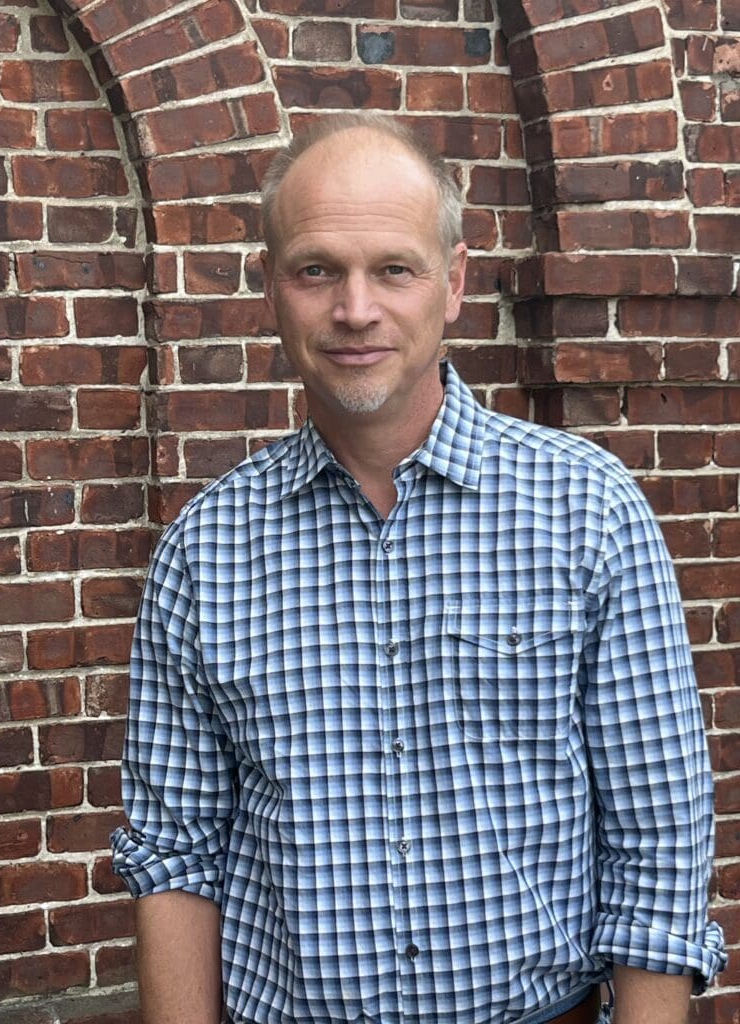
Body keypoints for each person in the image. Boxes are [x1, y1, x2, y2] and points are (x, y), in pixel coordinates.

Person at [111, 113, 726, 1024]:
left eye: (393, 269)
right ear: (271, 290)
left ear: (453, 283)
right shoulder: (206, 553)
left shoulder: (588, 514)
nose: (355, 310)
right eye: (316, 269)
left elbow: (659, 849)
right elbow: (175, 852)